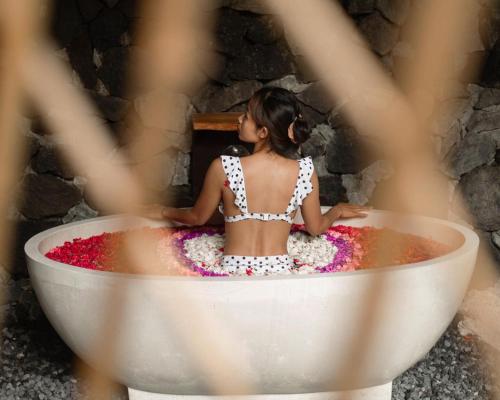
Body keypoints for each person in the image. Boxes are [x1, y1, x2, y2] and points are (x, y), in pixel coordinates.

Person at [141, 87, 370, 274]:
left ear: (263, 132)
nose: (239, 119)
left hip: (232, 270)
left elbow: (196, 217)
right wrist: (336, 211)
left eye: (247, 116)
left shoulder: (223, 167)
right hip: (281, 270)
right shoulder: (304, 171)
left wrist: (163, 212)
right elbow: (315, 227)